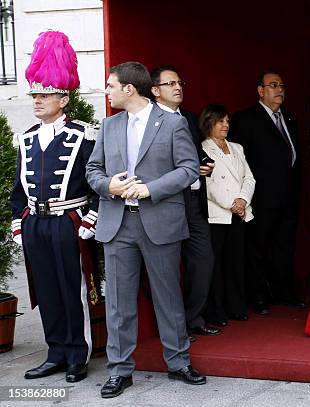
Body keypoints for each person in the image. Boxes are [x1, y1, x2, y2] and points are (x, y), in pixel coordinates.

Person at [86, 61, 205, 398]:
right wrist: (110, 184)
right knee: (119, 303)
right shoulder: (108, 126)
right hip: (117, 223)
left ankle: (179, 362)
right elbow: (92, 170)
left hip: (160, 220)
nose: (106, 91)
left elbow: (188, 169)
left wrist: (150, 188)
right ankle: (119, 371)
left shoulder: (171, 124)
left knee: (168, 296)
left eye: (111, 86)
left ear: (129, 89)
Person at [9, 31, 100, 383]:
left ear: (63, 98)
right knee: (45, 289)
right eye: (34, 94)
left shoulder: (84, 134)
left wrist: (89, 219)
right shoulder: (26, 137)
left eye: (44, 94)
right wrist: (18, 223)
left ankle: (78, 354)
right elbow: (18, 188)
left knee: (71, 289)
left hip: (69, 221)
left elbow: (98, 184)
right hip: (36, 223)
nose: (36, 100)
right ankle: (55, 352)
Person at [150, 65, 220, 337]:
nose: (178, 88)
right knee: (166, 268)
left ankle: (193, 318)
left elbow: (193, 154)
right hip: (167, 202)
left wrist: (204, 166)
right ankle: (173, 327)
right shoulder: (150, 122)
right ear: (155, 91)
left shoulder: (189, 118)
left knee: (203, 261)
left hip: (193, 200)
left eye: (180, 82)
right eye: (170, 84)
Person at [229, 69, 305, 315]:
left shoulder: (290, 118)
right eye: (273, 85)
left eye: (282, 85)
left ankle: (283, 292)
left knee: (285, 246)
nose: (280, 89)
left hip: (288, 195)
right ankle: (258, 296)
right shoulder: (246, 118)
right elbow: (240, 161)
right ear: (261, 91)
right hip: (260, 196)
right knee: (257, 248)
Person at [200, 104, 255, 325]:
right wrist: (230, 204)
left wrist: (242, 201)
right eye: (220, 121)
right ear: (209, 123)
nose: (225, 125)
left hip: (239, 213)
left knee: (236, 261)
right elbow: (207, 184)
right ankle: (217, 310)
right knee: (216, 263)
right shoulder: (202, 149)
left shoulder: (237, 148)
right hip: (217, 214)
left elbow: (249, 178)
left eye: (227, 121)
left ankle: (236, 306)